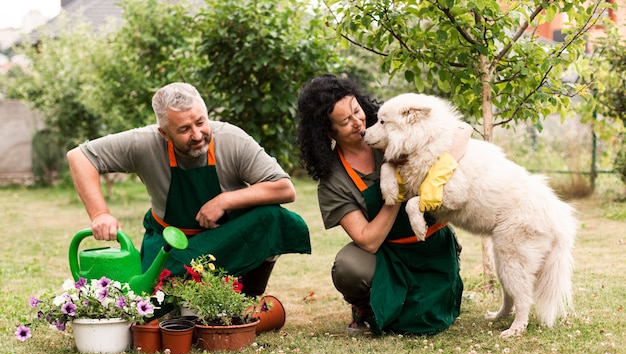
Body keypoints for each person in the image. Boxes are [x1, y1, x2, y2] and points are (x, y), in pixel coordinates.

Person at [67, 82, 311, 297]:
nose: (197, 135)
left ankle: (248, 292)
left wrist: (225, 200)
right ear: (163, 132)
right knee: (152, 307)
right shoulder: (143, 143)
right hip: (170, 246)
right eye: (184, 129)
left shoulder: (232, 139)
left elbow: (284, 188)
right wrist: (100, 214)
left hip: (223, 240)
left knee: (272, 217)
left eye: (201, 122)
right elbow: (79, 156)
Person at [296, 74, 472, 335]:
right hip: (385, 254)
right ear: (327, 131)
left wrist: (439, 173)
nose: (358, 122)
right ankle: (366, 308)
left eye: (357, 111)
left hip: (429, 246)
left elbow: (463, 130)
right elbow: (368, 241)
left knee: (425, 321)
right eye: (345, 121)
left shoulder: (391, 129)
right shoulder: (334, 180)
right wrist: (395, 195)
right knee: (348, 266)